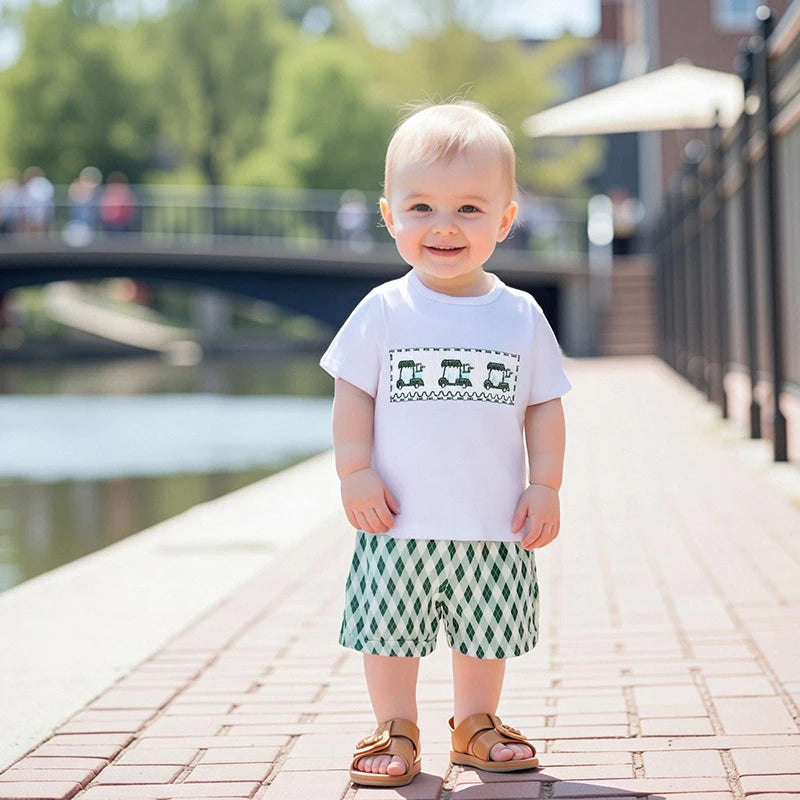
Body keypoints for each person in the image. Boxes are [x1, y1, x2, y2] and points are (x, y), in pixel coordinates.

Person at [320, 100, 570, 788]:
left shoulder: (519, 315)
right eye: (422, 207)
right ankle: (396, 725)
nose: (444, 226)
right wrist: (354, 472)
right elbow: (353, 400)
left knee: (485, 634)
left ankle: (475, 722)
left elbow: (544, 408)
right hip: (396, 520)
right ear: (390, 215)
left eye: (468, 209)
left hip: (493, 522)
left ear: (505, 219)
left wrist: (545, 483)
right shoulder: (383, 311)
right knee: (388, 634)